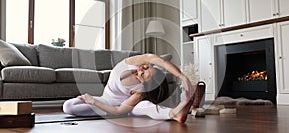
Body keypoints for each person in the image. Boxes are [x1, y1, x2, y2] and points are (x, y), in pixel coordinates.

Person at [63, 54, 195, 123]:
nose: (141, 69)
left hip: (120, 107)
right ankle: (128, 111)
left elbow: (117, 110)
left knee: (142, 106)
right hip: (107, 101)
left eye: (143, 74)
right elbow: (163, 62)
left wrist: (92, 101)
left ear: (144, 83)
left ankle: (175, 113)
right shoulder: (135, 61)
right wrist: (182, 77)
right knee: (68, 106)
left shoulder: (140, 92)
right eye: (148, 67)